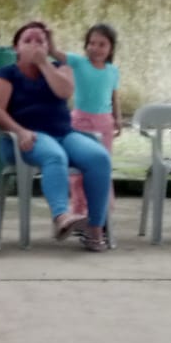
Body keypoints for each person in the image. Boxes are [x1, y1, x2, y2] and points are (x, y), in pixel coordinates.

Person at [0, 21, 112, 251]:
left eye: (40, 41)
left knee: (99, 157)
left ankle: (95, 229)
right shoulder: (6, 74)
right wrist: (20, 131)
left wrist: (43, 64)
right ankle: (61, 216)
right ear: (16, 48)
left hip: (63, 133)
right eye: (28, 40)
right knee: (55, 155)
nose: (34, 45)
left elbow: (64, 91)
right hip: (25, 137)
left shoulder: (60, 68)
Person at [57, 24, 120, 218]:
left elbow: (114, 95)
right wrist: (47, 40)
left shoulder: (113, 71)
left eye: (102, 44)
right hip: (80, 123)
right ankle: (79, 210)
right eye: (92, 43)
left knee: (103, 166)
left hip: (105, 125)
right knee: (78, 170)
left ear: (111, 48)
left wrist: (117, 118)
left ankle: (101, 212)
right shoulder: (78, 63)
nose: (96, 48)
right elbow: (57, 55)